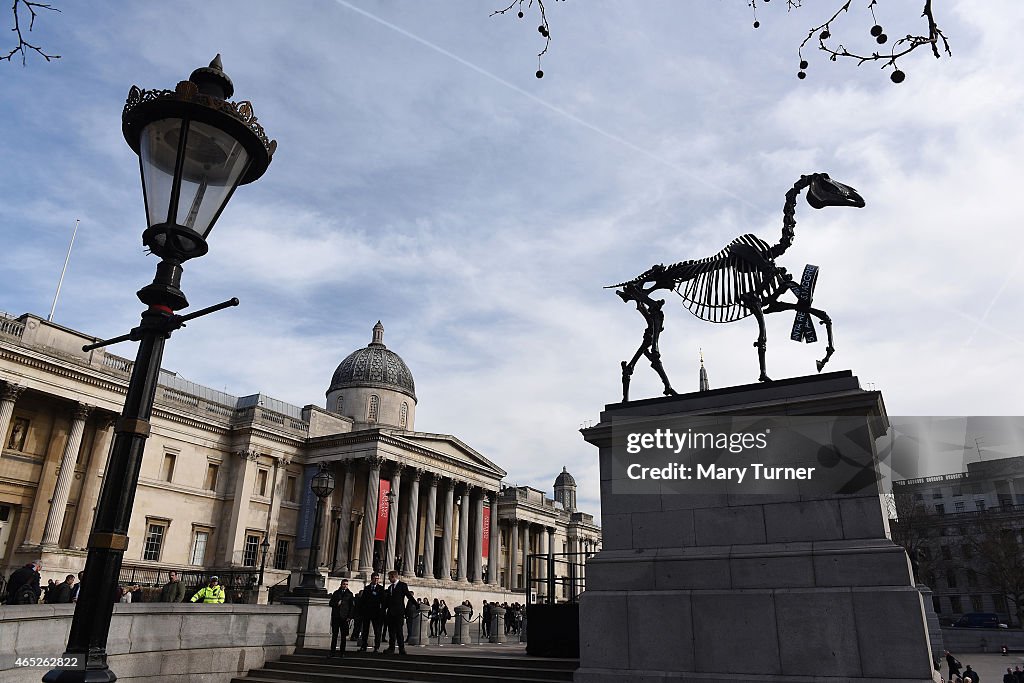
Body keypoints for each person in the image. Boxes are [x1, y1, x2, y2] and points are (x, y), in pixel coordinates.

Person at [382, 570, 412, 655]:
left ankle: (401, 649)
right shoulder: (390, 588)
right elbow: (388, 601)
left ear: (393, 577)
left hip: (399, 613)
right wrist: (383, 609)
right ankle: (391, 648)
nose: (388, 579)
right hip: (391, 613)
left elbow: (408, 595)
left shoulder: (402, 585)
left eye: (389, 577)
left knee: (399, 632)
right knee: (391, 632)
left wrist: (416, 604)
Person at [358, 572, 385, 652]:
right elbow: (363, 600)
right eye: (375, 579)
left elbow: (383, 601)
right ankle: (364, 645)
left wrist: (382, 612)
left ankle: (376, 646)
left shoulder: (380, 588)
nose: (376, 580)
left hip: (376, 612)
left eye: (377, 579)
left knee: (377, 630)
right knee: (365, 630)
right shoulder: (367, 588)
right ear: (372, 579)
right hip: (367, 612)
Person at [328, 578, 355, 658]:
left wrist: (350, 617)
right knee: (334, 635)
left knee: (343, 636)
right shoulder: (336, 593)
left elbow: (351, 607)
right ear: (341, 584)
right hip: (336, 616)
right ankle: (332, 652)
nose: (345, 586)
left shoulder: (350, 594)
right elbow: (330, 603)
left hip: (344, 617)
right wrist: (336, 603)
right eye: (344, 584)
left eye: (346, 584)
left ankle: (342, 652)